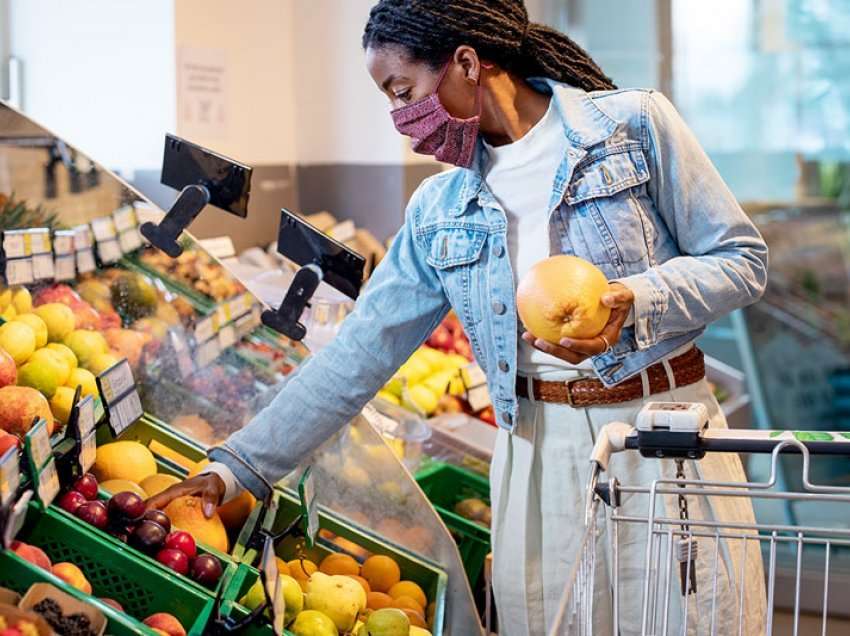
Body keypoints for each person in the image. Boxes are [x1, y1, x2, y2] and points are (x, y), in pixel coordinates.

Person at [148, 1, 768, 633]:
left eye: (403, 92)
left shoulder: (633, 126)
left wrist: (632, 301)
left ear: (467, 63)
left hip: (661, 438)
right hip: (536, 453)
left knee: (687, 620)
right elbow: (354, 358)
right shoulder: (439, 208)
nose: (400, 119)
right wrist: (233, 469)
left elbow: (741, 260)